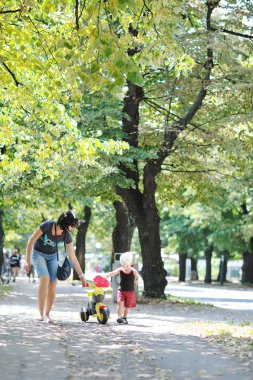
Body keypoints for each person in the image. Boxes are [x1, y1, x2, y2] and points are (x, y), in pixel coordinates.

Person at [25, 210, 88, 323]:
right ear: (65, 223)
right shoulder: (47, 226)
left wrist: (81, 275)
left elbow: (73, 257)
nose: (72, 228)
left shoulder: (67, 236)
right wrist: (27, 261)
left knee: (53, 283)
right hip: (38, 254)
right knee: (45, 278)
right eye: (71, 225)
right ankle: (41, 314)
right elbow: (31, 241)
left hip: (52, 256)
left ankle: (47, 314)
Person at [104, 252, 142, 324]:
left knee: (127, 306)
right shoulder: (121, 270)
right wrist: (106, 276)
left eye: (127, 265)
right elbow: (113, 273)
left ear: (131, 263)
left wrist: (138, 281)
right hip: (121, 290)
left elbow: (139, 277)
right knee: (120, 302)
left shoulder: (133, 271)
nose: (125, 267)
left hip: (130, 291)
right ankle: (119, 317)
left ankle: (125, 318)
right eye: (123, 265)